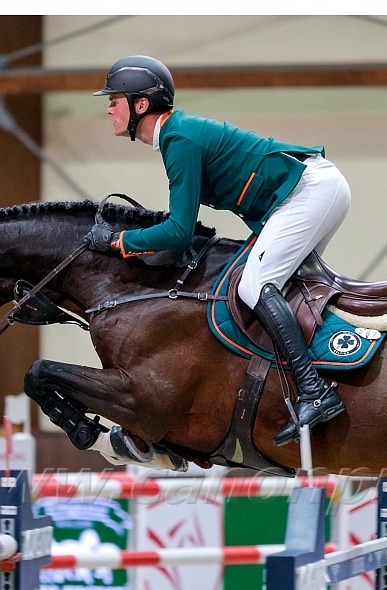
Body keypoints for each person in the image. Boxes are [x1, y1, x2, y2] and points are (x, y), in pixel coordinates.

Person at [88, 55, 351, 447]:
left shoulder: (179, 139)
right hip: (312, 191)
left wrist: (118, 242)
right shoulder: (177, 136)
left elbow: (179, 231)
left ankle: (315, 391)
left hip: (310, 192)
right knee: (276, 288)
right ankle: (314, 381)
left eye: (115, 100)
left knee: (254, 285)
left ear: (140, 105)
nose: (108, 107)